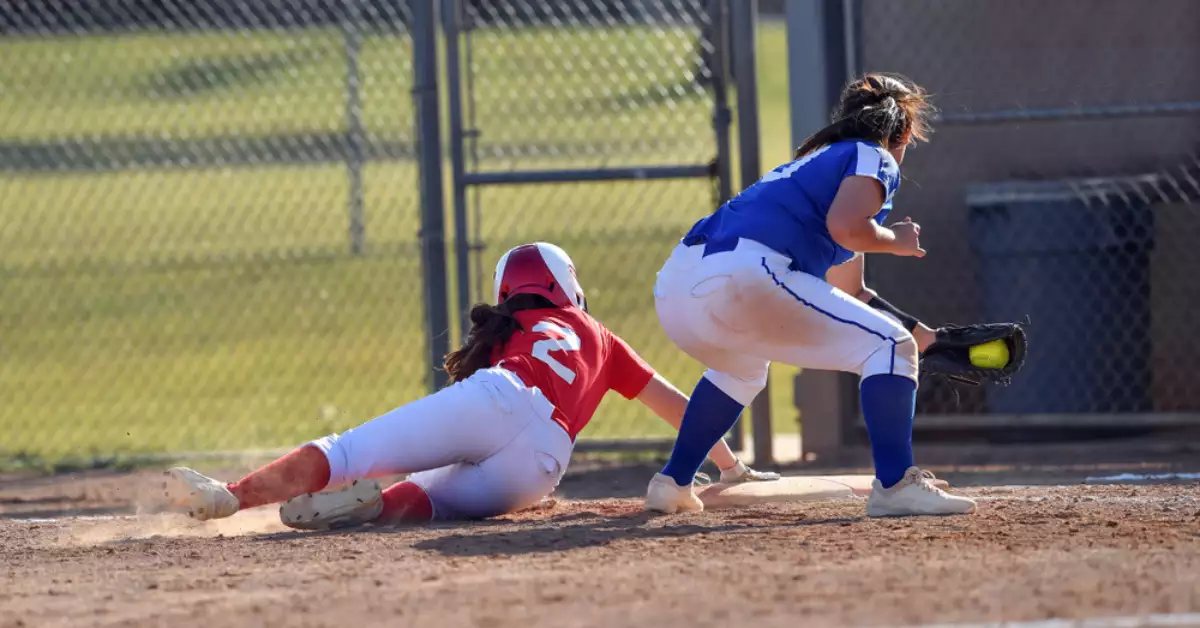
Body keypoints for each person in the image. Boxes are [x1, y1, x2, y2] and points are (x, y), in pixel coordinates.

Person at [161, 242, 777, 529]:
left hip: (502, 399)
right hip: (540, 467)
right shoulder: (600, 334)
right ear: (570, 288)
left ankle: (233, 497)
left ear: (510, 292)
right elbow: (680, 406)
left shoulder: (510, 328)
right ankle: (376, 506)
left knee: (352, 451)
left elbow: (477, 414)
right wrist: (727, 468)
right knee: (433, 501)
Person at [644, 73, 977, 517]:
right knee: (888, 346)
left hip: (679, 291)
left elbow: (851, 294)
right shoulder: (872, 155)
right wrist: (895, 241)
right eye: (908, 139)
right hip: (745, 273)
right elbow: (848, 228)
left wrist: (922, 335)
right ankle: (896, 485)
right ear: (898, 132)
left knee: (742, 368)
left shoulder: (816, 166)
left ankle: (673, 482)